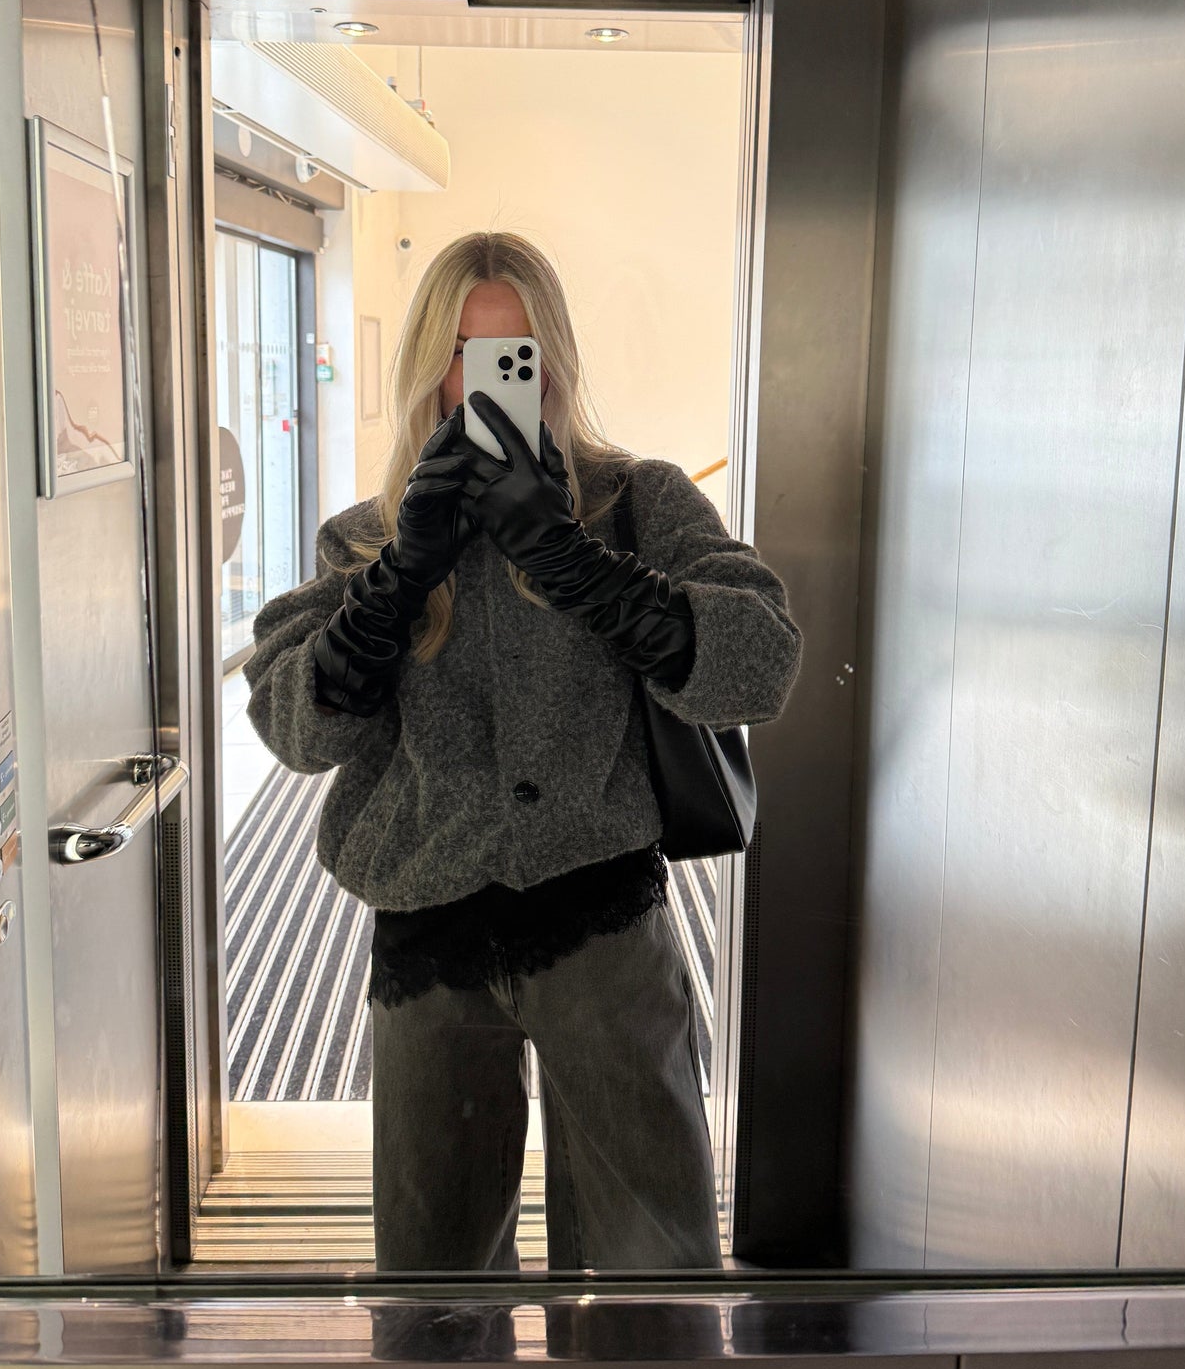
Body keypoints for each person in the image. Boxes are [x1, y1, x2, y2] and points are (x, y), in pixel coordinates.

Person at [244, 231, 803, 1273]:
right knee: (436, 1274)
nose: (492, 381)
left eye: (518, 353)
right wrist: (402, 575)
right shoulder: (366, 537)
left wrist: (576, 562)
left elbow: (760, 661)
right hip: (429, 940)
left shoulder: (637, 502)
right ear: (430, 367)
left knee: (653, 1261)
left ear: (556, 361)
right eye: (466, 353)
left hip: (602, 926)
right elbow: (294, 728)